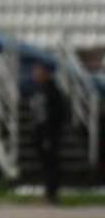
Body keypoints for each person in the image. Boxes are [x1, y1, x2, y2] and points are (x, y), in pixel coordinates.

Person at [30, 62, 66, 204]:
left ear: (46, 73)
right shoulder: (39, 89)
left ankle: (52, 195)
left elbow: (56, 113)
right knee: (46, 164)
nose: (35, 75)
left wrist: (49, 134)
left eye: (38, 72)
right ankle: (48, 193)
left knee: (51, 164)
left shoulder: (52, 90)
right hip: (41, 131)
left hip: (49, 133)